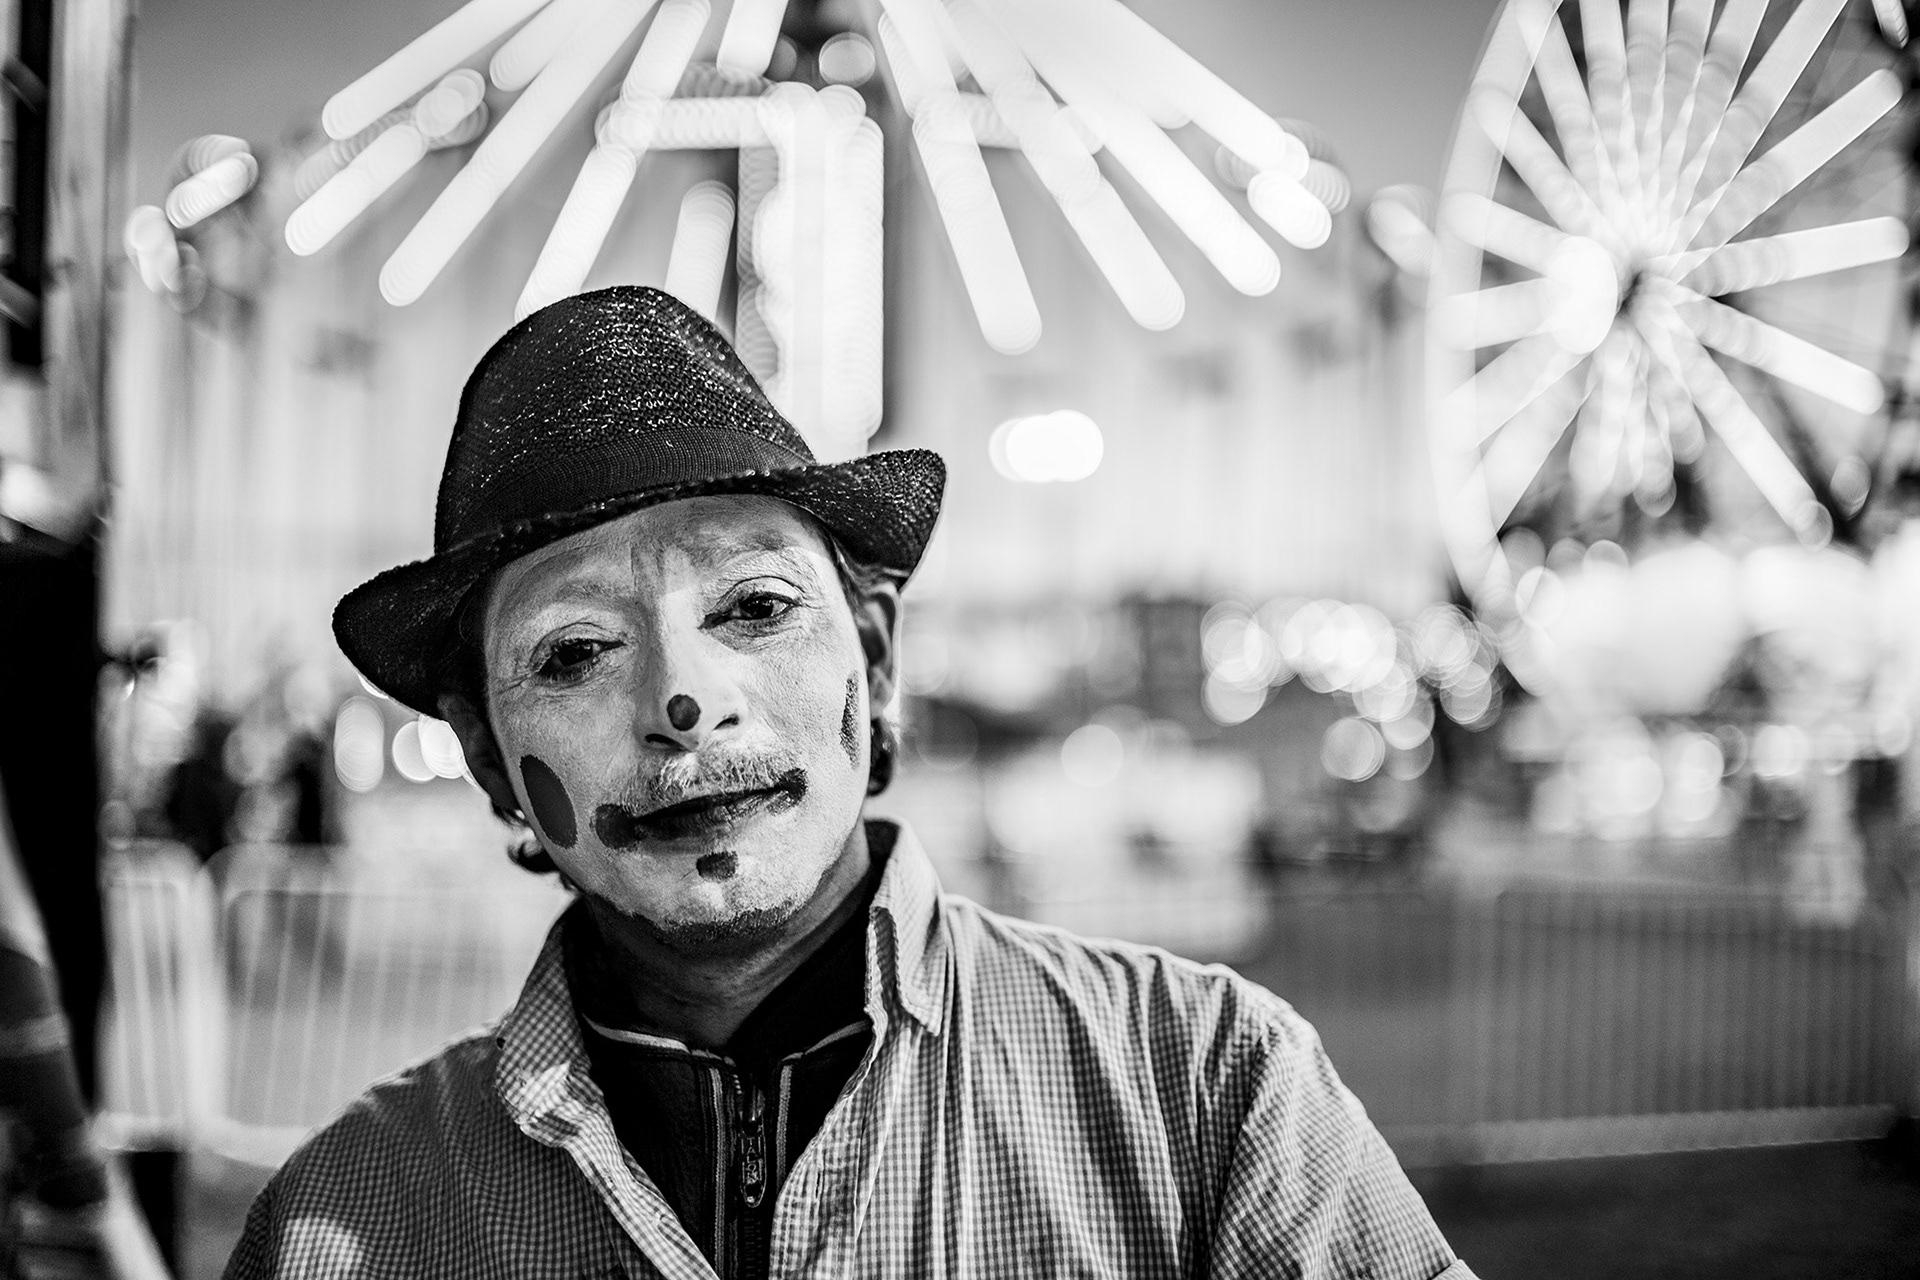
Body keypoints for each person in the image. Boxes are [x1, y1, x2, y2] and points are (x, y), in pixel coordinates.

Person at [226, 286, 1475, 1279]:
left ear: (872, 661)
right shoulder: (350, 1224)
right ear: (492, 757)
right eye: (576, 651)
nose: (685, 700)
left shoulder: (1203, 1093)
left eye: (757, 607)